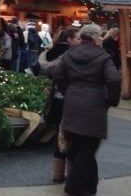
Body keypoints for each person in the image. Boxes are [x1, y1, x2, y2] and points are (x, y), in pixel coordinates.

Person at [51, 23, 121, 196]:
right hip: (94, 104)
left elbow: (58, 75)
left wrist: (69, 91)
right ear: (94, 37)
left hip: (73, 102)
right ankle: (73, 187)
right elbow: (114, 80)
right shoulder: (103, 57)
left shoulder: (69, 54)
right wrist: (111, 100)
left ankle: (90, 188)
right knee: (88, 147)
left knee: (79, 145)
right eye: (100, 36)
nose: (102, 38)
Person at [37, 26, 80, 182]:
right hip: (68, 100)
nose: (79, 41)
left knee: (59, 136)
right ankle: (71, 173)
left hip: (55, 99)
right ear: (69, 39)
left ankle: (57, 173)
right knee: (71, 137)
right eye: (77, 38)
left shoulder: (50, 53)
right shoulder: (71, 55)